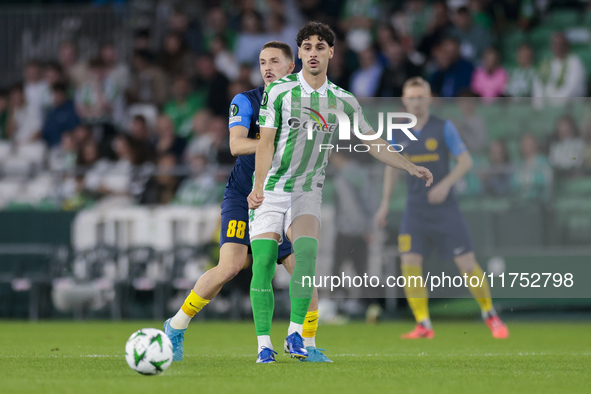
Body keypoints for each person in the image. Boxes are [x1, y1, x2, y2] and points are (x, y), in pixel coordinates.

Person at [247, 22, 432, 363]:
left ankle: (294, 336)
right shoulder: (279, 92)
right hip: (272, 190)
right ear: (299, 53)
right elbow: (265, 143)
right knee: (262, 265)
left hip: (307, 191)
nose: (313, 52)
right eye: (307, 47)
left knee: (306, 259)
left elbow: (373, 141)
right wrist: (257, 186)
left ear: (331, 52)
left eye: (320, 47)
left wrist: (408, 165)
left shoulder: (342, 100)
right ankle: (263, 346)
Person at [163, 41, 333, 364]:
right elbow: (236, 145)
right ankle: (176, 325)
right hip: (244, 196)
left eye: (274, 61)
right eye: (261, 62)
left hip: (283, 196)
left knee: (304, 271)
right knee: (231, 265)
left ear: (291, 68)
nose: (266, 67)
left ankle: (306, 345)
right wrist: (271, 142)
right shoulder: (247, 101)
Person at [374, 76, 509, 340]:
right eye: (411, 97)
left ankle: (490, 313)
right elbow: (390, 169)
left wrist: (446, 184)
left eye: (421, 97)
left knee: (467, 263)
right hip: (415, 208)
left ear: (429, 99)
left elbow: (466, 161)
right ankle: (423, 323)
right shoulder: (397, 132)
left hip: (446, 208)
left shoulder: (444, 126)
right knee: (409, 263)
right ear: (404, 100)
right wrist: (385, 203)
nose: (416, 102)